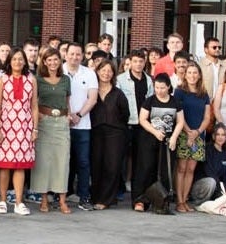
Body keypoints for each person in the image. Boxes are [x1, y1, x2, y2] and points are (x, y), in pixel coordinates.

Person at [0, 50, 38, 215]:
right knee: (4, 165)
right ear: (9, 61)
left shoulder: (31, 80)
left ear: (25, 62)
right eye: (14, 59)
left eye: (21, 59)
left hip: (25, 127)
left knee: (20, 166)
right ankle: (2, 200)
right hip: (6, 125)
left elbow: (34, 106)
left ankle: (19, 202)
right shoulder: (2, 79)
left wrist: (34, 128)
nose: (18, 62)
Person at [29, 49, 72, 213]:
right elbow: (33, 102)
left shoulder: (65, 80)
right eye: (49, 60)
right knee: (43, 162)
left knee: (62, 161)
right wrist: (37, 115)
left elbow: (67, 101)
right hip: (44, 122)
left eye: (56, 60)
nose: (53, 63)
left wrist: (68, 115)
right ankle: (44, 200)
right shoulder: (37, 80)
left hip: (61, 122)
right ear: (44, 62)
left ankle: (62, 200)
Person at [134, 73, 181, 214]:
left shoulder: (175, 102)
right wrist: (155, 132)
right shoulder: (150, 101)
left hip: (167, 142)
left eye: (162, 87)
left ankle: (161, 202)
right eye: (157, 87)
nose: (159, 90)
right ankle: (140, 201)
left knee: (165, 172)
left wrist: (173, 137)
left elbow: (180, 122)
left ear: (168, 87)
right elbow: (142, 119)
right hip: (149, 139)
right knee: (146, 169)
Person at [88, 58, 129, 212]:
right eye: (103, 70)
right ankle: (95, 196)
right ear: (97, 72)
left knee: (112, 166)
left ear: (113, 74)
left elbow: (126, 114)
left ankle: (107, 199)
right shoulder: (92, 91)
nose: (106, 73)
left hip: (115, 133)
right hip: (96, 132)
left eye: (109, 71)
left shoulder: (118, 94)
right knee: (96, 164)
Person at [172, 63, 213, 213]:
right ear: (185, 74)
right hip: (183, 133)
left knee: (191, 169)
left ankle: (185, 200)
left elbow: (207, 117)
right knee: (181, 168)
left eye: (195, 73)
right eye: (189, 72)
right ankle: (179, 201)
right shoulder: (179, 92)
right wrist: (189, 132)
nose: (192, 76)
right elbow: (177, 113)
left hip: (198, 136)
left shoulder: (204, 93)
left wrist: (197, 132)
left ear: (199, 75)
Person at [62, 44, 98, 207]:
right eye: (71, 54)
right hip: (61, 125)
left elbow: (92, 98)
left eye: (78, 54)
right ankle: (62, 194)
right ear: (66, 55)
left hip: (83, 125)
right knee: (63, 161)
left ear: (82, 56)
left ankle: (84, 196)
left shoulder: (89, 73)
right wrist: (68, 114)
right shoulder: (58, 70)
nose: (74, 57)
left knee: (83, 162)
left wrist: (78, 115)